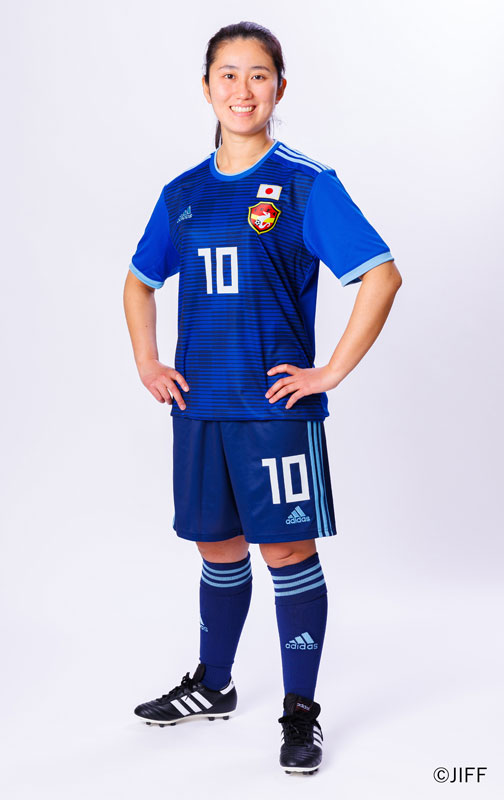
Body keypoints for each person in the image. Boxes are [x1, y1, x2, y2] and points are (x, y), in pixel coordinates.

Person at [123, 20, 402, 775]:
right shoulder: (182, 193)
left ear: (280, 87)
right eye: (228, 74)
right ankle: (214, 685)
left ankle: (300, 710)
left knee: (285, 551)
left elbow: (381, 276)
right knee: (216, 547)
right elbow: (139, 283)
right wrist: (148, 361)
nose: (242, 90)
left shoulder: (306, 183)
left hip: (273, 411)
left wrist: (329, 371)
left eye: (258, 75)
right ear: (206, 86)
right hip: (200, 408)